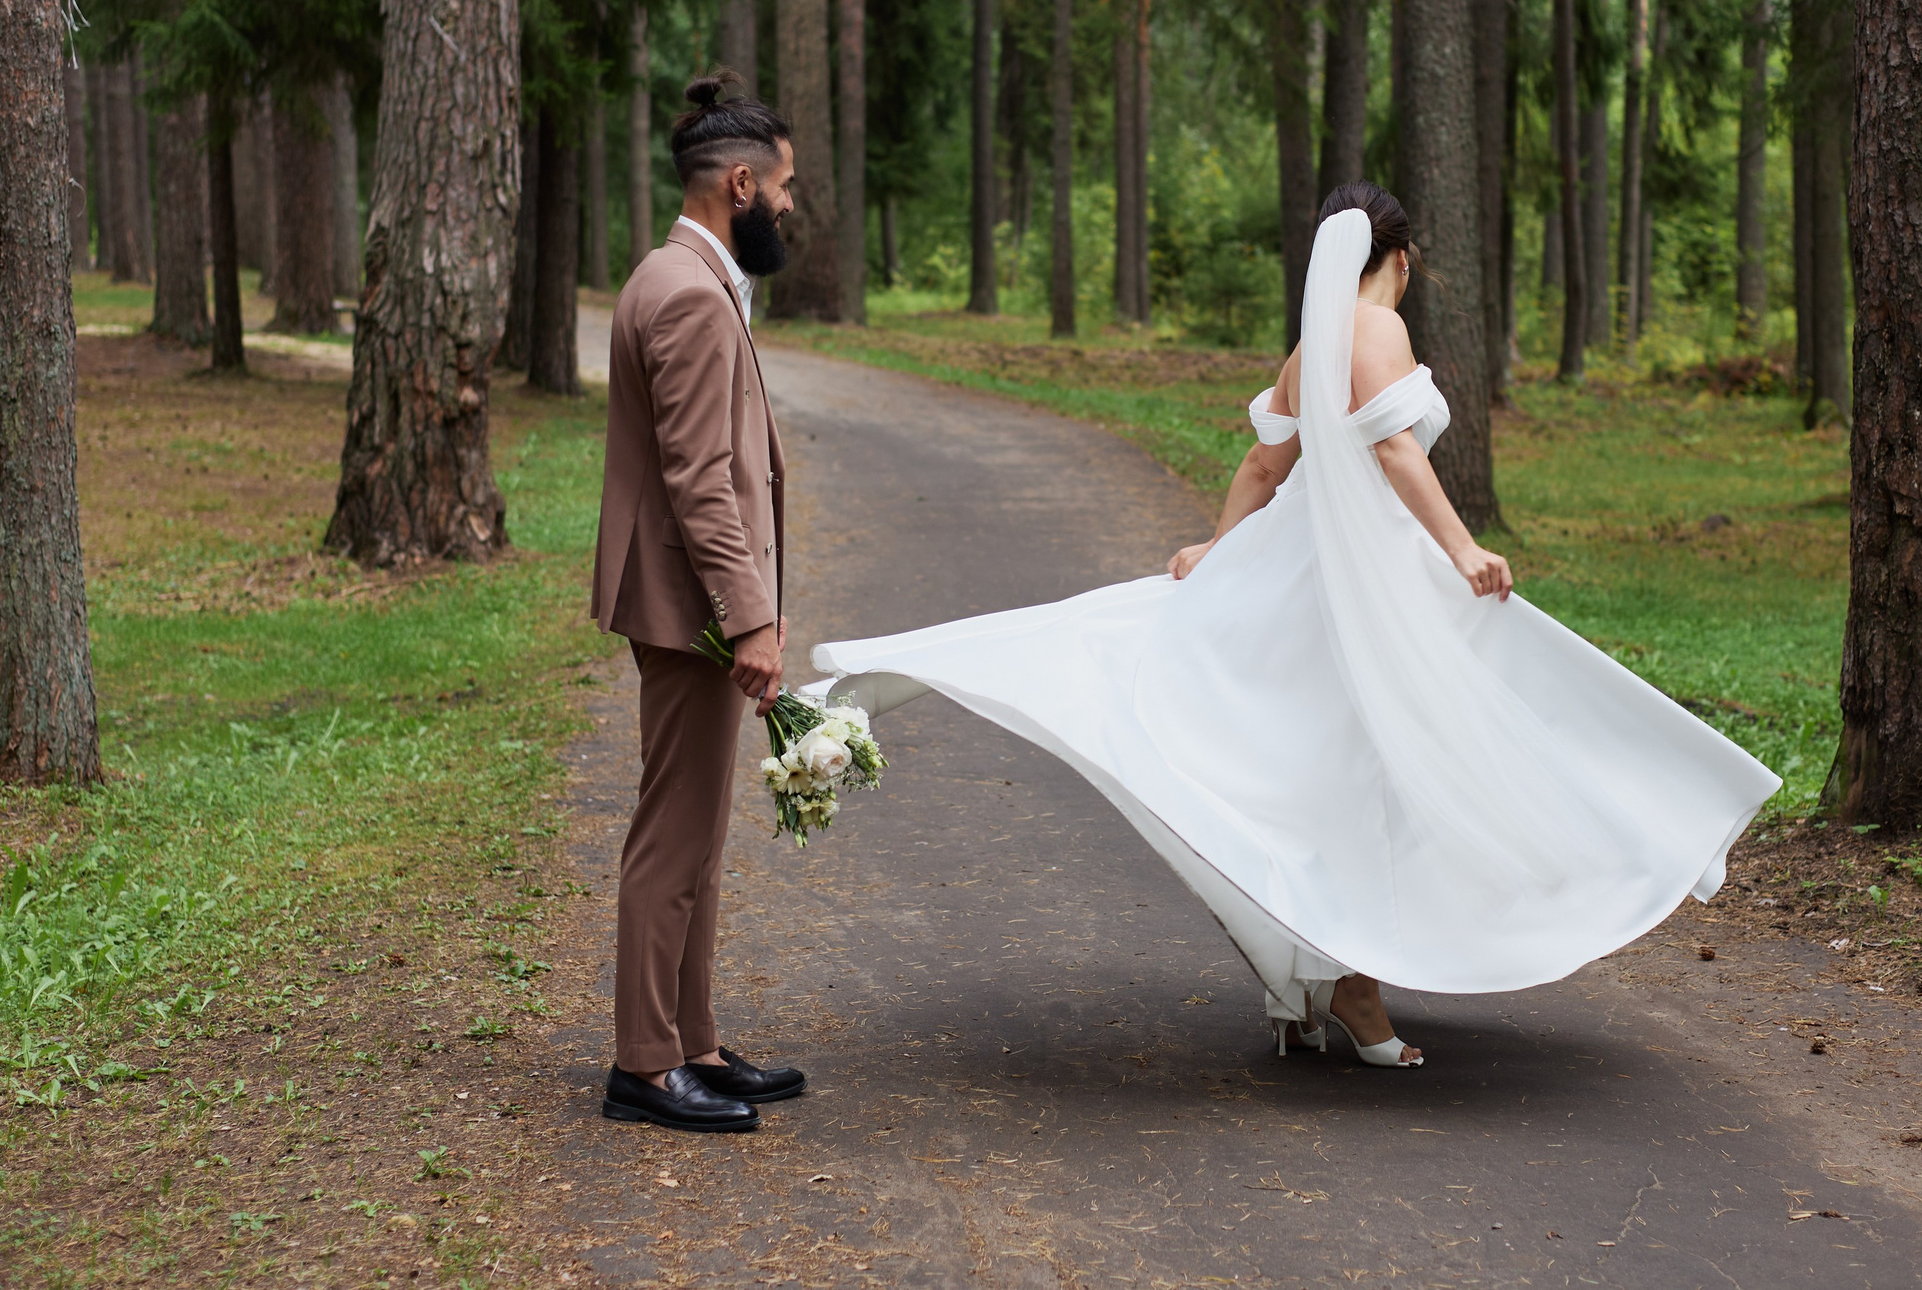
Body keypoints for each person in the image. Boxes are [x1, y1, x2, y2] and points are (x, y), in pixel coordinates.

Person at [810, 183, 1781, 1066]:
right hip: (1364, 575)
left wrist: (1220, 553)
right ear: (1397, 261)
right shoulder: (1375, 331)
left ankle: (1311, 984)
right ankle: (1353, 981)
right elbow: (1397, 453)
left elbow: (1262, 468)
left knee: (1323, 769)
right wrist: (1461, 551)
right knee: (1403, 759)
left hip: (1297, 561)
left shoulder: (1307, 350)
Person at [589, 73, 809, 1132]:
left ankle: (694, 1043)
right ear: (738, 184)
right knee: (672, 835)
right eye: (785, 189)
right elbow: (699, 479)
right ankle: (643, 1064)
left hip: (693, 602)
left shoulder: (691, 277)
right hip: (691, 606)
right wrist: (752, 617)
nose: (791, 208)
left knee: (698, 830)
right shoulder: (684, 291)